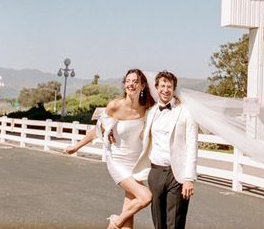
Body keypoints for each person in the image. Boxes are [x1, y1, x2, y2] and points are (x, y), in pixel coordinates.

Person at [64, 69, 155, 229]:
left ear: (143, 85)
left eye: (135, 81)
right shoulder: (115, 106)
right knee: (146, 197)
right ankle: (116, 222)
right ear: (124, 84)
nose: (131, 84)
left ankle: (120, 223)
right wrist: (76, 146)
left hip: (136, 162)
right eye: (128, 81)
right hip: (118, 160)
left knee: (129, 210)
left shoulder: (147, 107)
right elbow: (98, 130)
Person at [131, 71, 198, 229]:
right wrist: (108, 130)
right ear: (156, 87)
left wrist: (189, 178)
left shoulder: (186, 112)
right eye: (163, 86)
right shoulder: (150, 112)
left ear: (174, 88)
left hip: (177, 174)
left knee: (174, 223)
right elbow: (131, 127)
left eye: (169, 86)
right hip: (155, 173)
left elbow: (192, 146)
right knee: (158, 222)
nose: (166, 89)